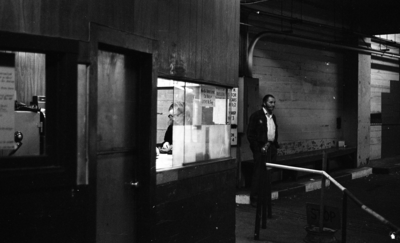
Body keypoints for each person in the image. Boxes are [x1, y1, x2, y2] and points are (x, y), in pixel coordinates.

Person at [247, 94, 279, 207]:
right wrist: (257, 149)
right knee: (258, 173)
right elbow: (250, 135)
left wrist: (274, 146)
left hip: (271, 149)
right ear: (264, 103)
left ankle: (265, 198)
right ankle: (255, 199)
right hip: (261, 149)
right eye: (271, 102)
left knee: (269, 173)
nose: (273, 104)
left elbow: (274, 131)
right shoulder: (256, 116)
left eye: (274, 102)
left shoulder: (272, 117)